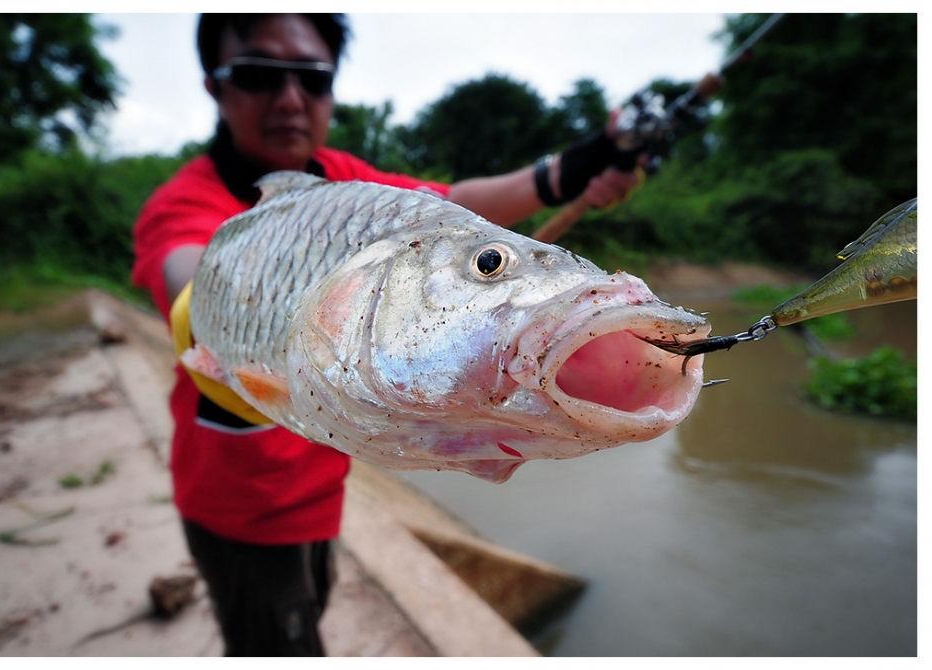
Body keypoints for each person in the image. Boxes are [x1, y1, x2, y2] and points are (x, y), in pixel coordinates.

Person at [131, 13, 642, 656]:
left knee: (309, 608)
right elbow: (188, 272)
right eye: (261, 75)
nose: (291, 99)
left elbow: (458, 202)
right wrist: (204, 307)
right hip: (240, 508)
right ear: (215, 86)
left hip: (323, 476)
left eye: (312, 79)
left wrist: (571, 170)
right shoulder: (184, 201)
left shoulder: (348, 184)